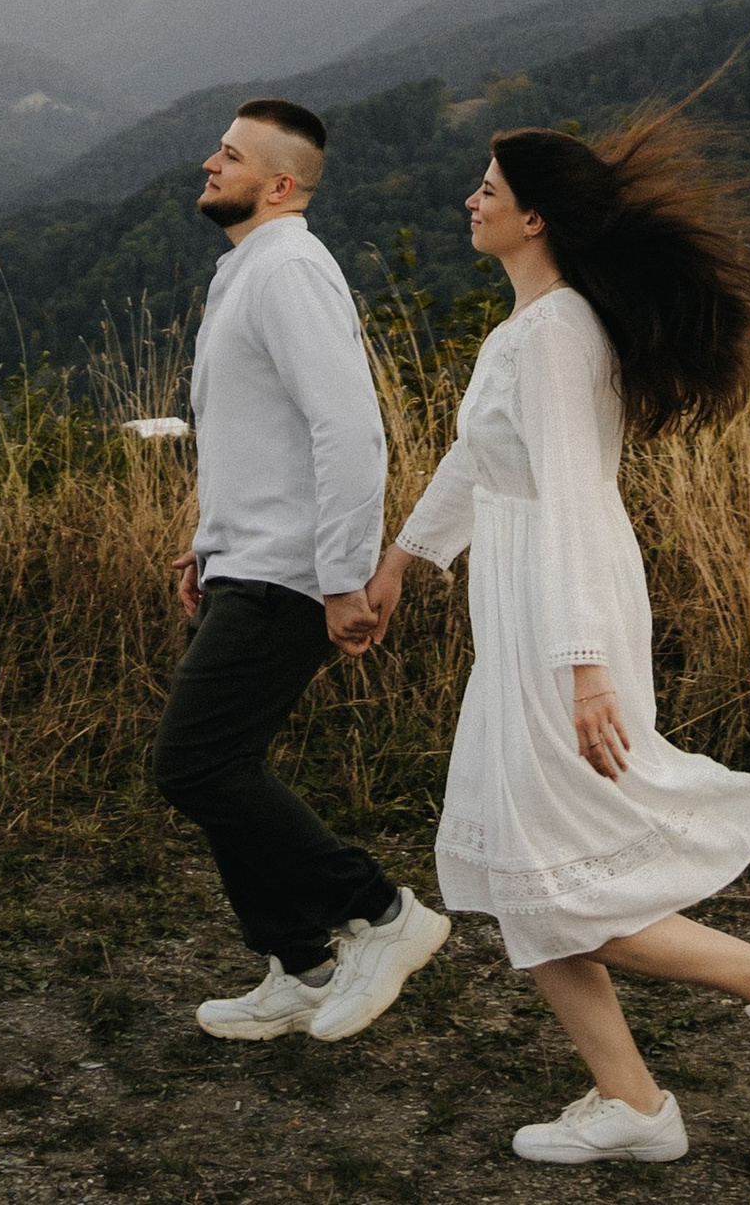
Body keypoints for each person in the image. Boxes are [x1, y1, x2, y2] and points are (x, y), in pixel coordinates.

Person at [358, 120, 750, 1165]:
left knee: (546, 872)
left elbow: (574, 496)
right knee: (506, 867)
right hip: (524, 605)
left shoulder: (557, 331)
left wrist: (584, 666)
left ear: (535, 216)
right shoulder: (523, 328)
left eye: (486, 188)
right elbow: (475, 462)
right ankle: (631, 1101)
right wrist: (402, 560)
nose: (469, 200)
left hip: (558, 612)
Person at [157, 97, 452, 1045]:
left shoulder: (288, 270)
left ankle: (385, 913)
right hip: (251, 562)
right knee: (223, 765)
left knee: (193, 764)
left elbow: (350, 432)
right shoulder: (250, 269)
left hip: (291, 574)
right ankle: (301, 965)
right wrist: (207, 544)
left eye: (230, 155)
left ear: (280, 185)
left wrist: (339, 578)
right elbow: (258, 441)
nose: (209, 162)